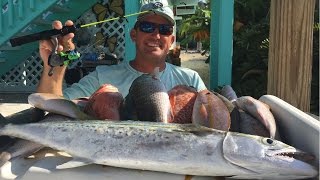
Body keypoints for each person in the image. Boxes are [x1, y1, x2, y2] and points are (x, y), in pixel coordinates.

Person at [37, 1, 207, 100]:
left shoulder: (190, 79)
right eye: (147, 27)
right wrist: (55, 70)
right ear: (134, 34)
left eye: (164, 29)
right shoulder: (102, 77)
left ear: (171, 40)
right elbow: (53, 108)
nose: (156, 35)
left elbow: (210, 124)